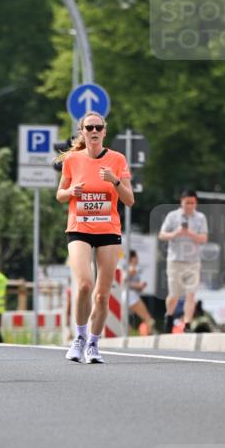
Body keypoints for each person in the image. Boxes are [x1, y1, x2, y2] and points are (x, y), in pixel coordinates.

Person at [56, 112, 133, 364]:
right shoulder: (73, 160)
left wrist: (115, 181)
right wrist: (71, 191)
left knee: (102, 295)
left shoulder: (117, 160)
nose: (94, 131)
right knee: (85, 284)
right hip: (79, 227)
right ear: (83, 131)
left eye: (99, 127)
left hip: (108, 230)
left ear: (104, 131)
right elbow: (60, 195)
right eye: (89, 127)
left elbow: (130, 200)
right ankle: (78, 338)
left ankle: (93, 343)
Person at [158, 189, 208, 332]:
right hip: (175, 261)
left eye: (192, 203)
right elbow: (161, 235)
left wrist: (189, 233)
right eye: (187, 203)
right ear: (181, 201)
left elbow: (204, 238)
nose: (190, 206)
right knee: (174, 295)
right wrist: (175, 233)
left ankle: (187, 323)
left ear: (196, 203)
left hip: (193, 262)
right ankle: (169, 315)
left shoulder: (200, 218)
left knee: (191, 294)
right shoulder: (172, 216)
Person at [126, 250, 155, 334]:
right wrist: (138, 285)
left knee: (125, 322)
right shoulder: (132, 269)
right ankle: (149, 337)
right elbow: (123, 282)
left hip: (129, 296)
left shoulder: (132, 268)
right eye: (136, 257)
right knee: (148, 318)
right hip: (131, 297)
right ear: (133, 258)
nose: (138, 259)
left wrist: (140, 287)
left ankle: (128, 335)